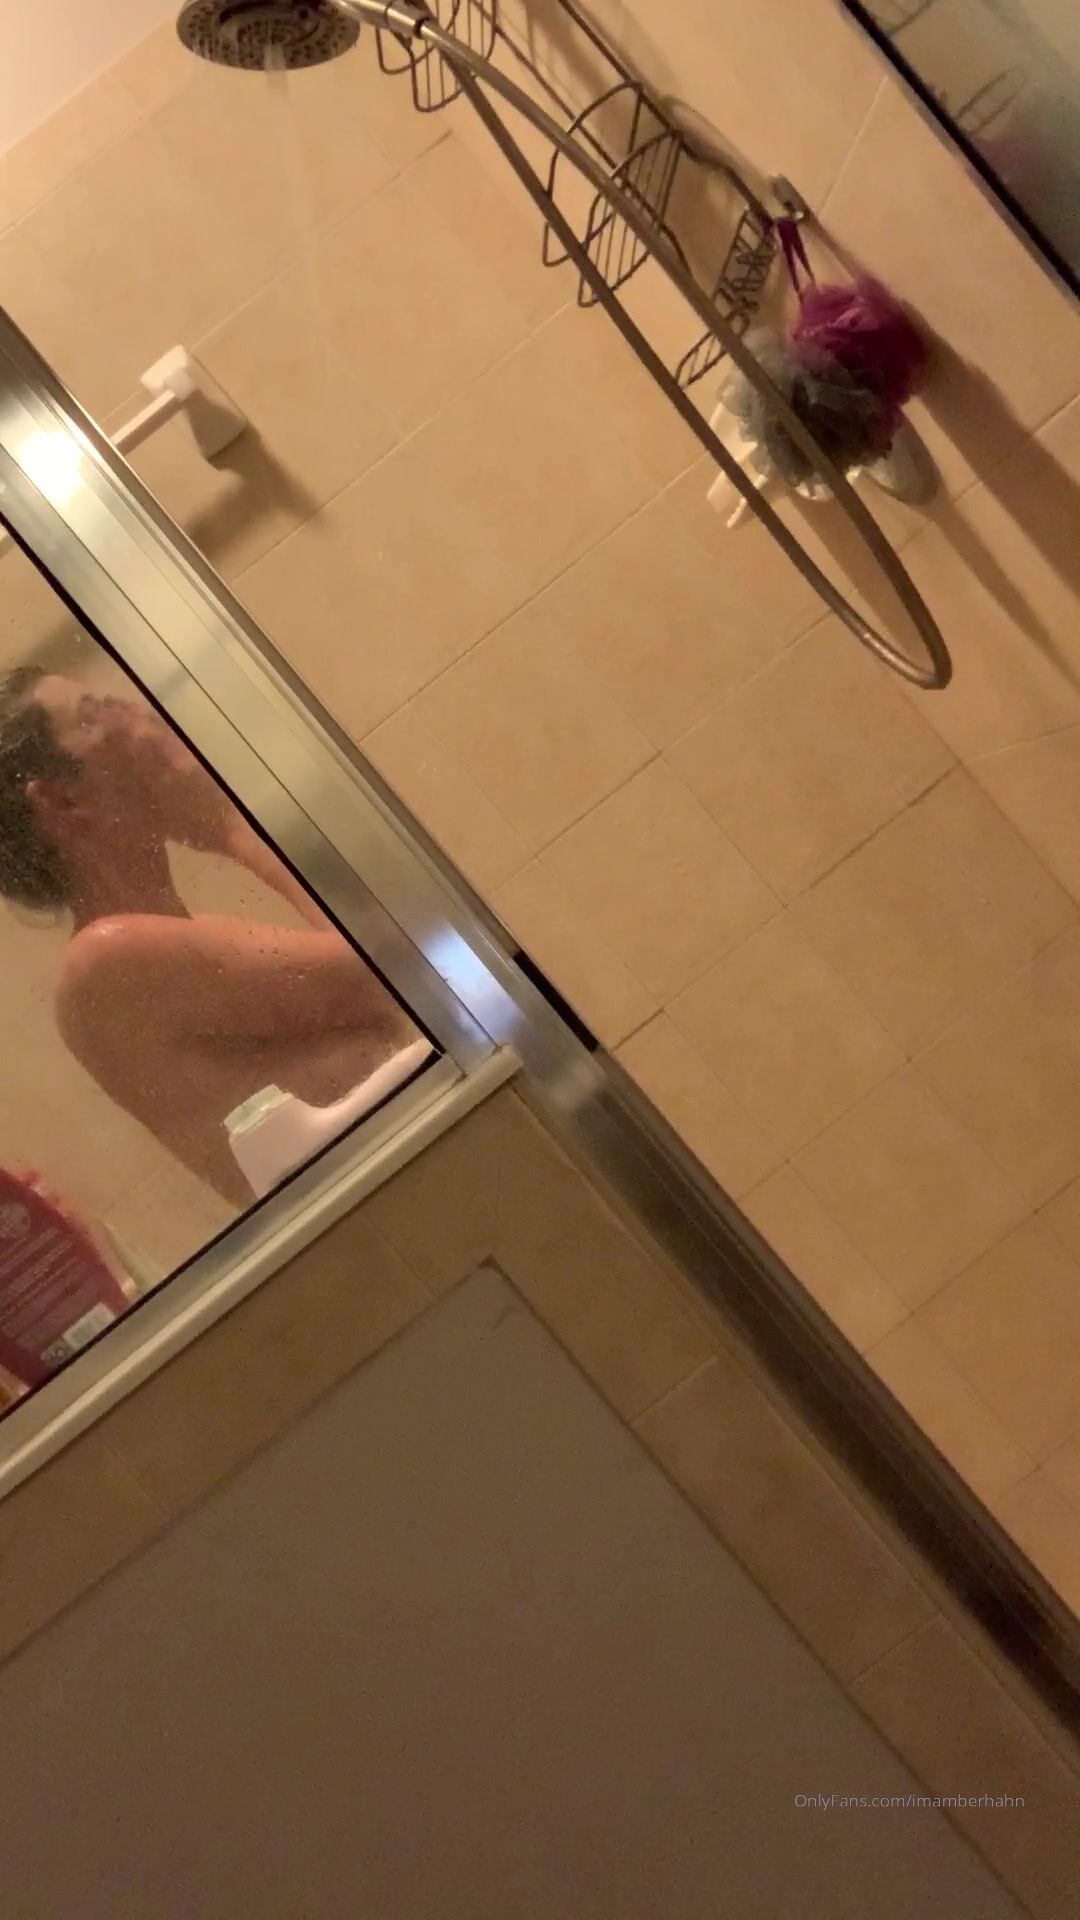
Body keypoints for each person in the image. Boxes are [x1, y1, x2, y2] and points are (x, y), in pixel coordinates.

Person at [0, 664, 425, 1207]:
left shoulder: (170, 937)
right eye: (94, 715)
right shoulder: (106, 960)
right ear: (61, 803)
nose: (133, 712)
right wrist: (229, 824)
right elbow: (403, 970)